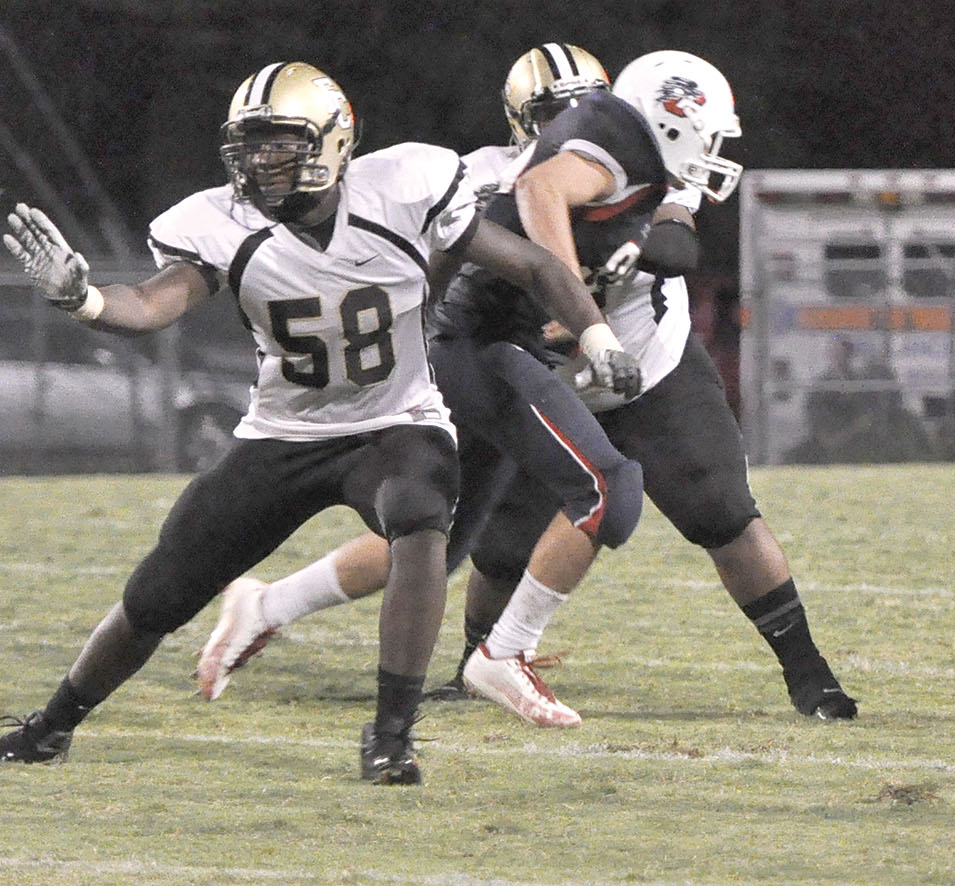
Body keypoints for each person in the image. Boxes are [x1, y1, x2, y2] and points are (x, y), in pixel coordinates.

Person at [194, 48, 857, 725]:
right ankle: (460, 654)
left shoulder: (644, 161)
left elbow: (677, 241)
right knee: (464, 540)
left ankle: (809, 675)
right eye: (555, 112)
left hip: (645, 366)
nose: (574, 122)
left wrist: (622, 265)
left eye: (584, 104)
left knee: (720, 511)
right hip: (529, 371)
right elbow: (422, 259)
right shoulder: (484, 179)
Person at [0, 61, 619, 783]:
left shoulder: (402, 189)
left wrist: (598, 335)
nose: (258, 162)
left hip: (396, 422)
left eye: (278, 143)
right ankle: (51, 726)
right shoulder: (223, 222)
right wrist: (85, 300)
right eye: (249, 146)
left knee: (421, 520)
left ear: (332, 141)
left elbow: (535, 267)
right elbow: (150, 303)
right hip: (282, 435)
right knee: (160, 592)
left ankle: (391, 738)